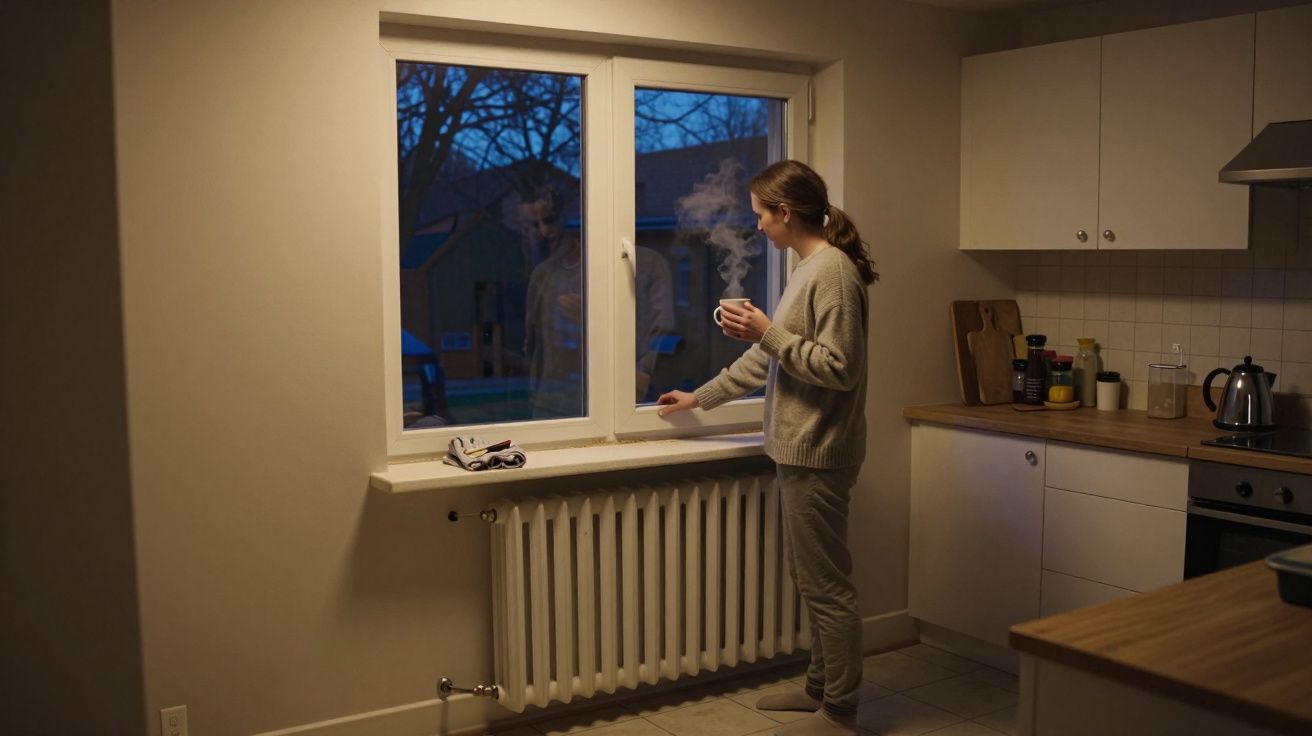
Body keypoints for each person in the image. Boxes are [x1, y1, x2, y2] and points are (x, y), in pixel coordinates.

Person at [656, 160, 876, 736]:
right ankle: (818, 689)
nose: (756, 228)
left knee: (828, 587)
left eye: (760, 216)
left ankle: (841, 711)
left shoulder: (832, 273)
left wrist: (767, 332)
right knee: (809, 579)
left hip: (819, 451)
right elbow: (766, 358)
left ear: (785, 212)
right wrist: (697, 397)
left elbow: (840, 369)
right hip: (799, 450)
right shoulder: (807, 271)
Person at [521, 186, 675, 415]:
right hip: (551, 401)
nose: (544, 232)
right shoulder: (544, 276)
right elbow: (535, 344)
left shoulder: (644, 265)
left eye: (550, 221)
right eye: (534, 225)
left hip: (625, 402)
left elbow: (663, 334)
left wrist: (642, 371)